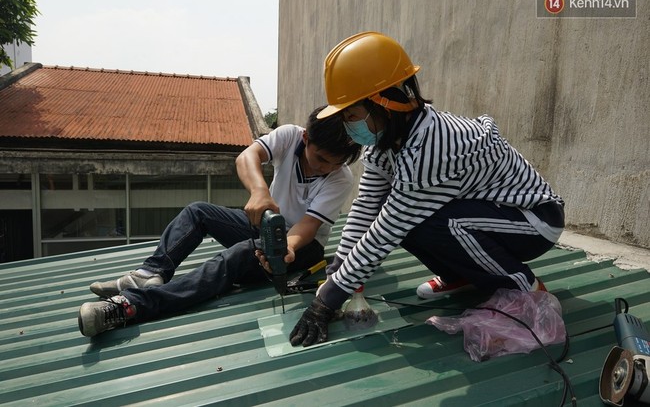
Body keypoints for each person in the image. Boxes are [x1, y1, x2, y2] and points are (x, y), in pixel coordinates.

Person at [289, 32, 565, 347]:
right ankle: (460, 276)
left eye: (351, 115)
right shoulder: (386, 142)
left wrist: (328, 300)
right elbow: (366, 205)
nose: (350, 127)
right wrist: (338, 267)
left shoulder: (431, 147)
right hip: (486, 216)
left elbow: (386, 231)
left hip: (533, 220)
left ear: (383, 102)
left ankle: (526, 289)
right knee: (412, 216)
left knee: (432, 221)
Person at [78, 106, 361, 337]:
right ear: (306, 139)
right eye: (321, 159)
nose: (325, 168)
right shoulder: (288, 135)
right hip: (267, 225)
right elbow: (247, 156)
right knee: (198, 211)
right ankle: (151, 273)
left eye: (334, 164)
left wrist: (284, 248)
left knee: (234, 258)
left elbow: (309, 226)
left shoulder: (340, 179)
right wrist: (260, 191)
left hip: (299, 246)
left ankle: (130, 306)